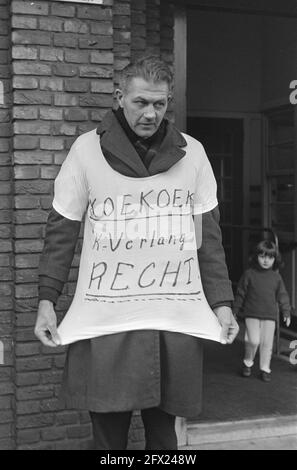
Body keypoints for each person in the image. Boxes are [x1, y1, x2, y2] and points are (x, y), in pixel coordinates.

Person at [34, 55, 238, 450]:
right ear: (119, 97)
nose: (151, 113)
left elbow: (207, 238)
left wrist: (223, 303)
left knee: (164, 439)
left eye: (159, 104)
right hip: (110, 320)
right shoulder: (85, 151)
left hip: (171, 321)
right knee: (107, 438)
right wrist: (47, 299)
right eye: (141, 102)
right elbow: (62, 229)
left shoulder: (193, 154)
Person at [233, 239, 291, 383]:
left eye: (270, 257)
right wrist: (234, 310)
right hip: (251, 313)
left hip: (270, 315)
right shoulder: (249, 274)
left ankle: (265, 369)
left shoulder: (276, 277)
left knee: (267, 344)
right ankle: (248, 361)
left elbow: (282, 295)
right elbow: (240, 294)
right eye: (262, 256)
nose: (266, 260)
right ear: (256, 256)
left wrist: (286, 312)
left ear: (275, 259)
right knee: (252, 340)